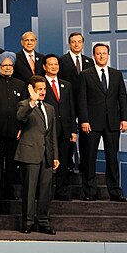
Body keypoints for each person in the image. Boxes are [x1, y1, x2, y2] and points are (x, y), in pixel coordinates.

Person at [78, 43, 127, 202]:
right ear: (94, 56)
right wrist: (84, 120)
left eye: (104, 53)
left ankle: (115, 192)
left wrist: (125, 118)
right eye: (98, 53)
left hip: (113, 122)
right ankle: (90, 192)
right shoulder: (85, 74)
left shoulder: (116, 74)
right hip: (92, 123)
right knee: (89, 158)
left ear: (108, 55)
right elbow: (82, 99)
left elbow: (122, 97)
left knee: (112, 158)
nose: (101, 56)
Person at [15, 76, 59, 234]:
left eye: (44, 89)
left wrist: (55, 156)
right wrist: (32, 102)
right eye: (39, 89)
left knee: (45, 191)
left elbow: (52, 134)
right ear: (31, 90)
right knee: (29, 190)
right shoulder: (24, 104)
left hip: (46, 155)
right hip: (30, 153)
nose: (42, 92)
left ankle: (43, 221)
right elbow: (21, 117)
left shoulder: (50, 108)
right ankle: (27, 222)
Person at [0, 52, 25, 200]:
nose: (8, 68)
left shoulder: (20, 84)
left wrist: (21, 128)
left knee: (11, 166)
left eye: (10, 65)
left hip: (14, 132)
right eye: (4, 65)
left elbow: (24, 108)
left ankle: (9, 193)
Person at [42, 54, 77, 201]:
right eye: (50, 64)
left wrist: (73, 130)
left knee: (63, 163)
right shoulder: (39, 83)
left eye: (56, 64)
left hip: (64, 130)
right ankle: (45, 193)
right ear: (44, 66)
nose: (54, 67)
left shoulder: (66, 84)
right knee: (46, 164)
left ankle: (62, 191)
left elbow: (71, 108)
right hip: (46, 131)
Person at [58, 32, 94, 171]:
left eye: (79, 41)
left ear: (83, 43)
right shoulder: (62, 60)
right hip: (68, 104)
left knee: (87, 136)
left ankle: (85, 164)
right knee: (69, 135)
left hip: (86, 105)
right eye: (73, 42)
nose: (76, 44)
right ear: (69, 43)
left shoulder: (89, 61)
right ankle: (68, 164)